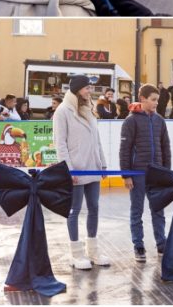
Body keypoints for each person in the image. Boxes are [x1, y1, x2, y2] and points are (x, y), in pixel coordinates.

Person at [52, 75, 110, 270]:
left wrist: (102, 163)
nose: (89, 91)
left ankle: (93, 251)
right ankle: (76, 254)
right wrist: (67, 169)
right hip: (75, 169)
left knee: (94, 207)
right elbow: (60, 144)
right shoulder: (63, 111)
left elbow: (97, 140)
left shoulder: (89, 109)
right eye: (86, 88)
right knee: (74, 210)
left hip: (93, 166)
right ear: (77, 90)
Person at [119, 84, 170, 262]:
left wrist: (166, 174)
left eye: (157, 100)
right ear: (143, 99)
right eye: (153, 100)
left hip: (156, 174)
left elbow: (166, 148)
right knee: (137, 210)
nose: (156, 103)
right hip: (138, 173)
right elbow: (124, 149)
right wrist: (126, 175)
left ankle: (161, 243)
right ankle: (138, 246)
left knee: (158, 210)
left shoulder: (160, 121)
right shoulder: (131, 121)